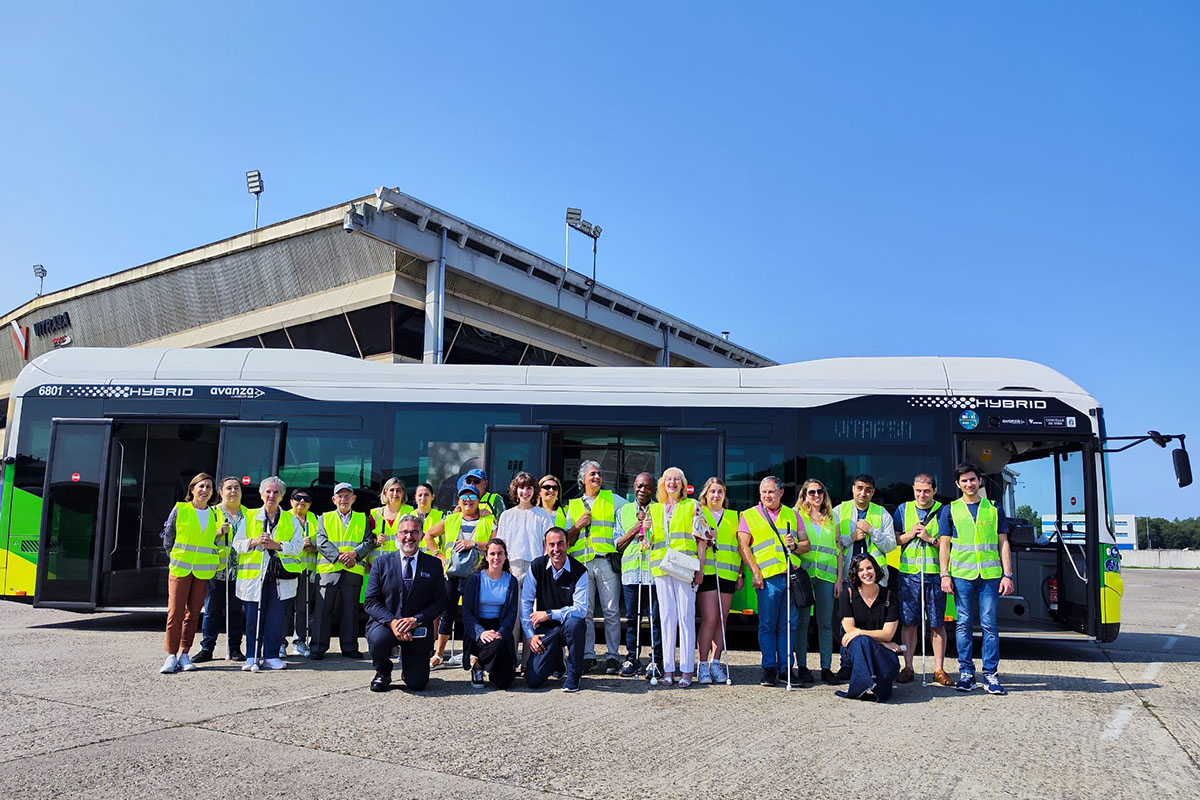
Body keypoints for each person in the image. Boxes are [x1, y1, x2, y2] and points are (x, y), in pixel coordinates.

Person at [939, 462, 1014, 695]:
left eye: (972, 479)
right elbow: (944, 545)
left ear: (979, 481)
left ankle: (990, 675)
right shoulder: (949, 509)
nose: (969, 484)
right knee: (962, 625)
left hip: (990, 576)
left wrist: (1007, 574)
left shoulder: (994, 509)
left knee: (989, 625)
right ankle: (967, 674)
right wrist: (944, 574)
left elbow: (1003, 542)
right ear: (957, 484)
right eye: (964, 481)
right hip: (961, 576)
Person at [737, 476, 809, 687]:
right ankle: (769, 668)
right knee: (767, 624)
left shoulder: (793, 515)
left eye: (771, 492)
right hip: (767, 578)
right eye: (763, 492)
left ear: (781, 493)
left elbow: (806, 544)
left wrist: (795, 545)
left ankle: (786, 668)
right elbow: (743, 546)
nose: (767, 495)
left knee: (789, 624)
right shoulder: (749, 515)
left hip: (790, 576)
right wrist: (755, 572)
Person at [364, 514, 447, 692]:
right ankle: (383, 672)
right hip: (386, 624)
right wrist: (393, 622)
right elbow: (370, 601)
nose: (409, 537)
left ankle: (410, 669)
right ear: (397, 535)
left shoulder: (433, 565)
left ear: (422, 536)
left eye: (414, 532)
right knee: (379, 641)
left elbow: (440, 601)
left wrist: (415, 620)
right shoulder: (381, 563)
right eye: (405, 532)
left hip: (418, 626)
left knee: (417, 684)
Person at [233, 476, 303, 671]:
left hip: (280, 576)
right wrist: (254, 541)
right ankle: (252, 656)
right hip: (254, 577)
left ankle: (272, 655)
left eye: (276, 492)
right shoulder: (249, 516)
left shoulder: (291, 519)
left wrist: (278, 545)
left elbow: (298, 547)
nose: (271, 495)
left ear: (281, 496)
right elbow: (237, 545)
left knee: (276, 617)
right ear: (261, 494)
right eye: (268, 492)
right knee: (253, 618)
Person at [425, 478, 496, 668]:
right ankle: (439, 654)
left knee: (474, 615)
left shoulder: (488, 520)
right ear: (458, 500)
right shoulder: (451, 519)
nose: (468, 499)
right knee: (447, 613)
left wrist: (473, 544)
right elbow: (429, 535)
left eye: (472, 495)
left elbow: (495, 545)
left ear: (478, 499)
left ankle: (474, 655)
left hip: (476, 574)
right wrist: (438, 556)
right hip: (452, 573)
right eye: (463, 495)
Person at [564, 460, 625, 675]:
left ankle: (612, 657)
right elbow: (565, 539)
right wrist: (578, 524)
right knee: (586, 613)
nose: (596, 477)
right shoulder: (572, 506)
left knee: (611, 611)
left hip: (606, 562)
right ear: (582, 480)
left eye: (598, 474)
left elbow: (631, 511)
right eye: (592, 474)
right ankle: (588, 656)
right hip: (582, 565)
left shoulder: (613, 499)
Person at [159, 472, 223, 674]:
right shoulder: (181, 508)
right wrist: (174, 557)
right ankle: (171, 655)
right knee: (175, 613)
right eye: (201, 486)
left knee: (193, 614)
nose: (205, 490)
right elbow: (168, 536)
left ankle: (185, 653)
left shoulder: (213, 514)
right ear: (192, 489)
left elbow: (210, 540)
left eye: (209, 487)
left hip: (202, 571)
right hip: (181, 567)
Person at [647, 466, 705, 688]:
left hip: (684, 567)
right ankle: (669, 670)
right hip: (661, 568)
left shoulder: (692, 506)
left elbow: (702, 539)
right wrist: (646, 530)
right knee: (667, 618)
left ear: (682, 484)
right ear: (662, 484)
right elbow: (646, 543)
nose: (672, 483)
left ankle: (688, 670)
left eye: (676, 479)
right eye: (668, 479)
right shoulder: (654, 509)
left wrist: (700, 569)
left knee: (686, 618)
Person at [894, 473, 953, 686]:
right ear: (913, 489)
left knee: (937, 624)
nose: (922, 495)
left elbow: (950, 545)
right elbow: (895, 540)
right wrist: (910, 534)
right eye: (918, 490)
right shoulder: (903, 509)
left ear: (934, 491)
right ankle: (908, 667)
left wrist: (930, 539)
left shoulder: (944, 511)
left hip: (935, 574)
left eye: (926, 491)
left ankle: (938, 669)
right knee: (909, 623)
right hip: (909, 574)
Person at [495, 471, 554, 665]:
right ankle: (510, 661)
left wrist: (545, 571)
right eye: (521, 488)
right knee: (512, 619)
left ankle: (530, 663)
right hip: (511, 569)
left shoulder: (542, 515)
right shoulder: (506, 515)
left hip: (534, 570)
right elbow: (500, 546)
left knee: (531, 618)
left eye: (529, 488)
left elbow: (548, 545)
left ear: (534, 490)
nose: (525, 492)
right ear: (515, 490)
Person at [522, 528, 589, 693]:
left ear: (568, 545)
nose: (556, 549)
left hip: (567, 627)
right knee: (533, 680)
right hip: (546, 631)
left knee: (575, 624)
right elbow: (526, 603)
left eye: (560, 544)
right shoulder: (536, 567)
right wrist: (530, 636)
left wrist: (550, 614)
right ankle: (558, 663)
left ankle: (574, 675)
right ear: (545, 546)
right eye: (551, 544)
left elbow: (581, 610)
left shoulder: (580, 571)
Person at [312, 482, 374, 659]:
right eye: (340, 496)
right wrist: (339, 556)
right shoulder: (324, 517)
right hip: (329, 569)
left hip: (352, 570)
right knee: (323, 610)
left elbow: (368, 541)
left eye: (347, 496)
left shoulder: (362, 518)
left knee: (351, 611)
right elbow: (321, 541)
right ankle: (317, 647)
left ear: (354, 499)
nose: (343, 499)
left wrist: (355, 554)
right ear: (334, 499)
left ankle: (349, 647)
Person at [614, 471, 662, 678]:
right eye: (639, 486)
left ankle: (655, 660)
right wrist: (637, 526)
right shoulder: (623, 511)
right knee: (632, 618)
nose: (642, 490)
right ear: (634, 486)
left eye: (647, 487)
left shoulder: (660, 510)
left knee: (655, 619)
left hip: (654, 571)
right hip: (631, 572)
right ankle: (632, 657)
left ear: (654, 490)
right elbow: (617, 544)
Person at [794, 478, 842, 684]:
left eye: (819, 492)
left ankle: (826, 668)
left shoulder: (833, 518)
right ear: (804, 495)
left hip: (827, 577)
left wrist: (839, 579)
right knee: (802, 623)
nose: (816, 495)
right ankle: (803, 667)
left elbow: (839, 550)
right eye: (811, 492)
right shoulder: (797, 516)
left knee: (825, 624)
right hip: (804, 576)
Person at [194, 477, 246, 663]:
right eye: (229, 488)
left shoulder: (249, 514)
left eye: (236, 488)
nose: (233, 491)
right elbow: (198, 538)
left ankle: (235, 649)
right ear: (221, 492)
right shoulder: (211, 513)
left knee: (235, 611)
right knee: (212, 611)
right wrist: (216, 533)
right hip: (216, 570)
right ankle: (207, 648)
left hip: (240, 572)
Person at [837, 553, 902, 701]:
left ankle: (867, 683)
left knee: (863, 640)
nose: (866, 573)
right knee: (862, 641)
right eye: (861, 570)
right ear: (855, 573)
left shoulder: (890, 597)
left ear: (876, 569)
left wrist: (861, 632)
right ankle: (867, 683)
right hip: (857, 650)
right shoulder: (847, 595)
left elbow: (888, 634)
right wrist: (881, 641)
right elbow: (849, 630)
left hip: (883, 654)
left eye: (869, 568)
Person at [696, 476, 741, 685]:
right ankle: (702, 664)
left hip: (728, 573)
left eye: (720, 492)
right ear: (706, 494)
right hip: (707, 572)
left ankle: (716, 662)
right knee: (710, 618)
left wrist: (740, 573)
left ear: (725, 495)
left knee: (722, 621)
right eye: (712, 491)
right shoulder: (699, 513)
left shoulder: (734, 516)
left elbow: (741, 546)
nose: (716, 495)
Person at [461, 538, 520, 689]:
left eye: (500, 554)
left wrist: (501, 632)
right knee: (495, 646)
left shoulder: (511, 581)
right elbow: (466, 612)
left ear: (505, 556)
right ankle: (478, 667)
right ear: (486, 556)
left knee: (505, 682)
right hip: (478, 627)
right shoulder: (475, 579)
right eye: (492, 554)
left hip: (499, 628)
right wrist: (480, 632)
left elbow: (511, 614)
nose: (496, 558)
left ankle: (483, 664)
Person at [834, 474, 896, 588]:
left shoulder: (882, 513)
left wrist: (872, 531)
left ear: (873, 492)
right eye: (859, 488)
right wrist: (852, 537)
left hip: (875, 577)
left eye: (868, 490)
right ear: (853, 489)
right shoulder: (838, 511)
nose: (863, 493)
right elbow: (831, 544)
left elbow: (891, 546)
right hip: (846, 576)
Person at [361, 478, 415, 606]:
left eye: (398, 490)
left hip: (402, 566)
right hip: (378, 567)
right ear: (385, 493)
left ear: (403, 493)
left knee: (398, 603)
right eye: (391, 490)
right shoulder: (375, 513)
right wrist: (375, 540)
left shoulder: (411, 512)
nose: (395, 494)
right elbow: (366, 539)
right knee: (377, 603)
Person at [281, 488, 319, 657]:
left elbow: (323, 542)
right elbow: (279, 543)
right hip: (289, 569)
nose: (301, 501)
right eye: (297, 498)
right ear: (291, 501)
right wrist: (298, 545)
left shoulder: (315, 519)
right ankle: (280, 643)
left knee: (303, 607)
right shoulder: (284, 518)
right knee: (284, 608)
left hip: (307, 569)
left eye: (306, 499)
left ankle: (300, 642)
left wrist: (314, 546)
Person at [414, 482, 444, 555]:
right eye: (420, 495)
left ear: (432, 497)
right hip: (413, 560)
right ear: (415, 497)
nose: (423, 498)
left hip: (433, 560)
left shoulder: (441, 516)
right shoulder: (408, 517)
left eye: (426, 495)